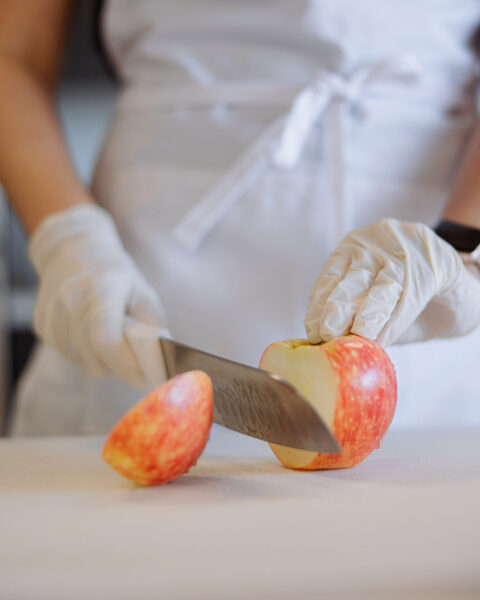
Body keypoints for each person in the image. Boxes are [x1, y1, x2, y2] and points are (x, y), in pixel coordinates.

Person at [1, 0, 480, 436]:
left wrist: (459, 245)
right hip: (143, 262)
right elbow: (12, 58)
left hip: (419, 274)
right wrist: (68, 237)